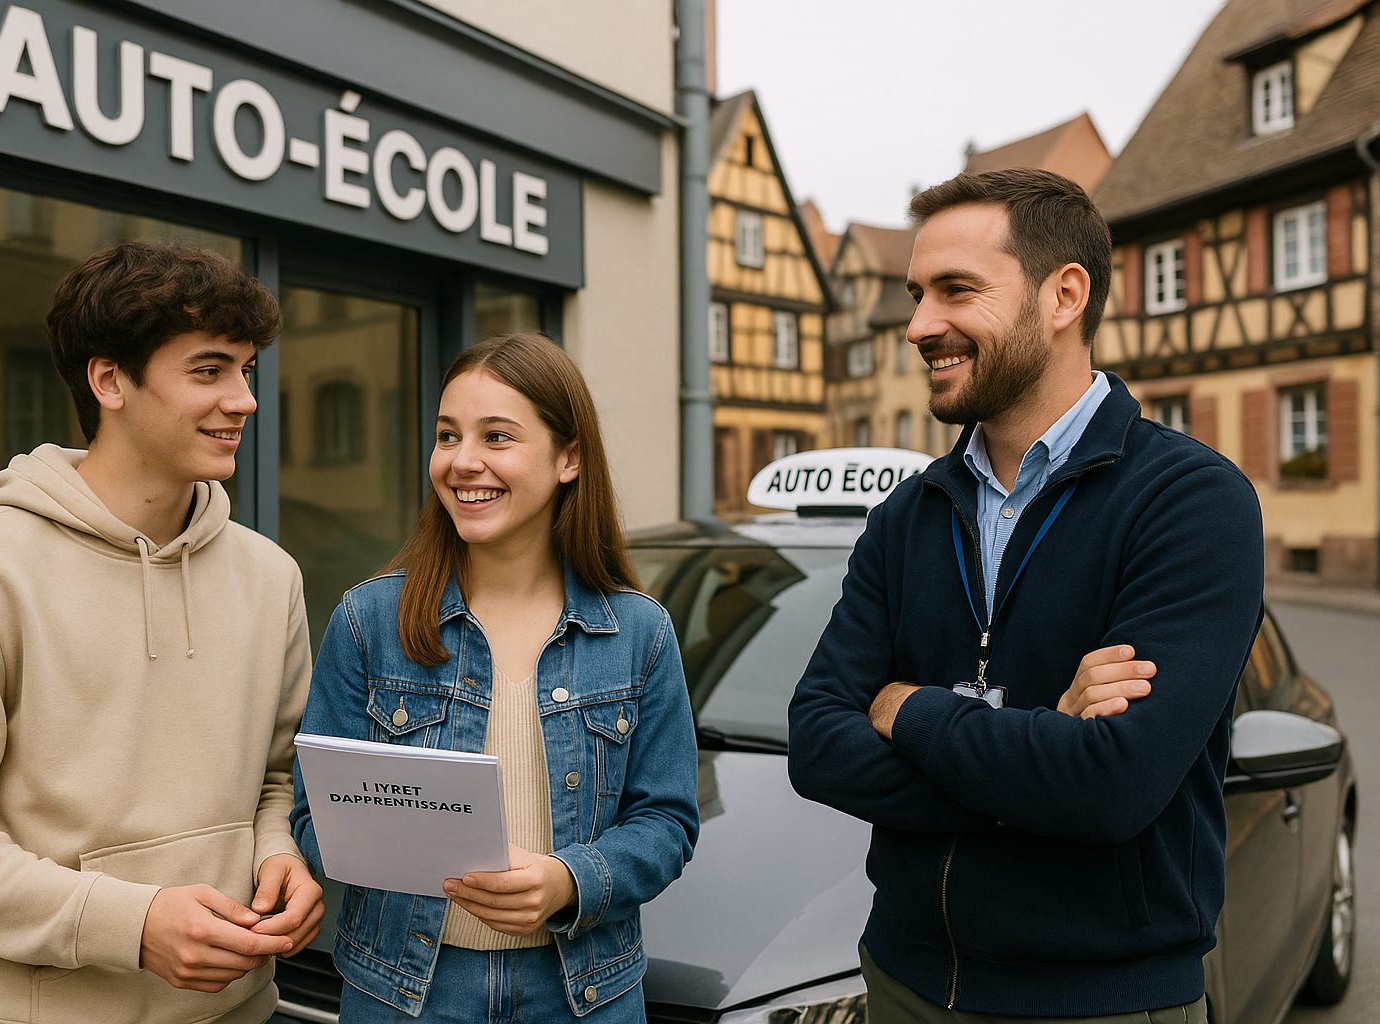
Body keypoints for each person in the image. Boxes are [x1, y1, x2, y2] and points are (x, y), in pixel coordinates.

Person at [788, 169, 1264, 1023]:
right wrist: (1040, 755)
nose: (919, 325)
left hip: (1101, 1002)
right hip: (901, 982)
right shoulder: (907, 514)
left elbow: (1112, 787)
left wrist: (910, 712)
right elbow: (817, 742)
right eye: (916, 295)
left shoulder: (1192, 501)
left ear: (1064, 295)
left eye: (956, 291)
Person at [0, 241, 323, 1024]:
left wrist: (281, 853)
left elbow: (276, 779)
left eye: (247, 370)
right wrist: (129, 924)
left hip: (241, 1010)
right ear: (109, 379)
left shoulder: (269, 575)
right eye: (209, 370)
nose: (245, 399)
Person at [291, 332, 700, 1022]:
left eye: (497, 437)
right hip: (404, 992)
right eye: (448, 435)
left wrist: (569, 880)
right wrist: (387, 835)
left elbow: (667, 822)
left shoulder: (639, 633)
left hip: (583, 995)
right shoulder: (368, 621)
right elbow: (312, 815)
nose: (463, 462)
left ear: (569, 457)